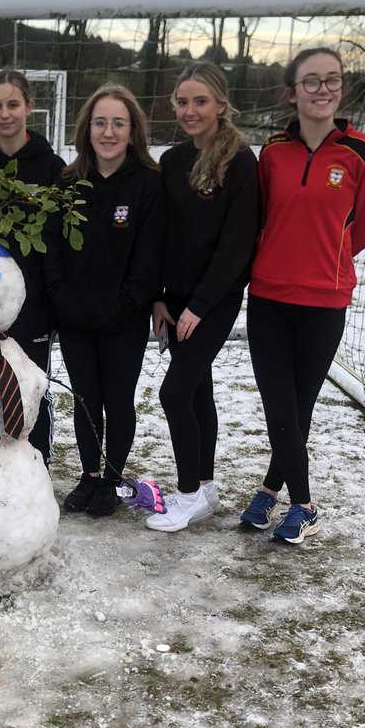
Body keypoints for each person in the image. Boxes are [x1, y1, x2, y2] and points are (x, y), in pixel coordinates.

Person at [240, 46, 365, 544]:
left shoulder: (362, 152)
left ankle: (290, 498)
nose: (323, 89)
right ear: (292, 92)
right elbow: (260, 220)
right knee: (280, 407)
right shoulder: (273, 153)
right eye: (311, 81)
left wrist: (327, 262)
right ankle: (291, 496)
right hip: (269, 299)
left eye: (332, 80)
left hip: (325, 301)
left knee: (298, 407)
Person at [145, 63, 259, 533]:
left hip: (214, 300)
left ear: (220, 105)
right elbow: (157, 236)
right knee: (198, 392)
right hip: (174, 300)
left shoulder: (240, 162)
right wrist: (158, 299)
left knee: (174, 393)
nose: (190, 111)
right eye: (183, 102)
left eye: (200, 102)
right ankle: (207, 486)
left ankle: (187, 494)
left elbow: (238, 246)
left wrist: (200, 305)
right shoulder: (171, 162)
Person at [44, 84, 163, 518]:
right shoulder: (68, 182)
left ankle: (113, 478)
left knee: (118, 399)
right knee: (85, 399)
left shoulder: (149, 185)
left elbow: (149, 258)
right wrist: (62, 300)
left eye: (118, 123)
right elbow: (52, 249)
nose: (108, 132)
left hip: (123, 319)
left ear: (132, 132)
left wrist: (127, 305)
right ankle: (90, 475)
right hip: (76, 316)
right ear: (86, 130)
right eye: (100, 123)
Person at [0, 69, 66, 467]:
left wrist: (56, 304)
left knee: (31, 383)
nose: (4, 113)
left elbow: (58, 242)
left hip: (36, 303)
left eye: (13, 104)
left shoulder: (53, 167)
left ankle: (37, 460)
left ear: (29, 106)